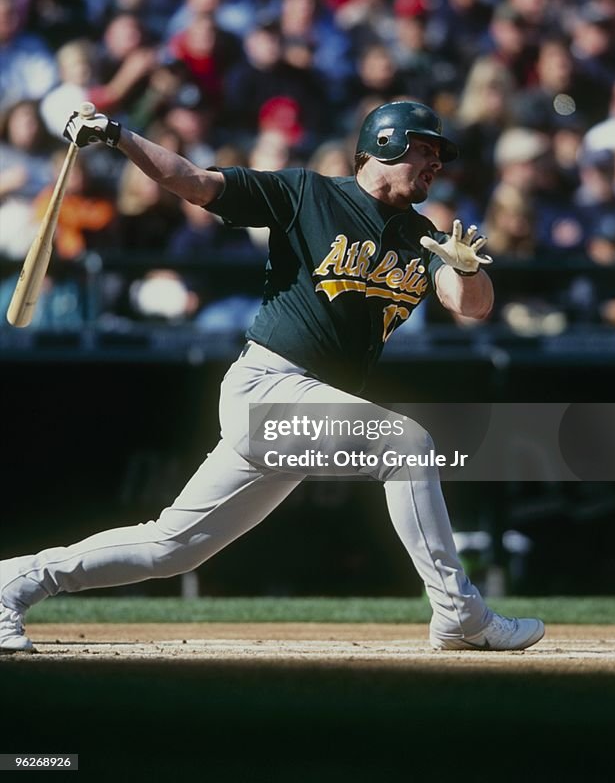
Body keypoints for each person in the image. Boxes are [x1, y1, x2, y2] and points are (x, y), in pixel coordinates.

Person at [0, 99, 544, 654]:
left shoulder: (417, 232)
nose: (435, 164)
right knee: (406, 444)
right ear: (384, 144)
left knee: (171, 548)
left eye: (438, 155)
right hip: (269, 387)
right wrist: (117, 135)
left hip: (302, 406)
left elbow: (469, 306)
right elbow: (194, 182)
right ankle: (459, 612)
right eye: (425, 150)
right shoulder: (308, 194)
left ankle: (9, 584)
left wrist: (467, 268)